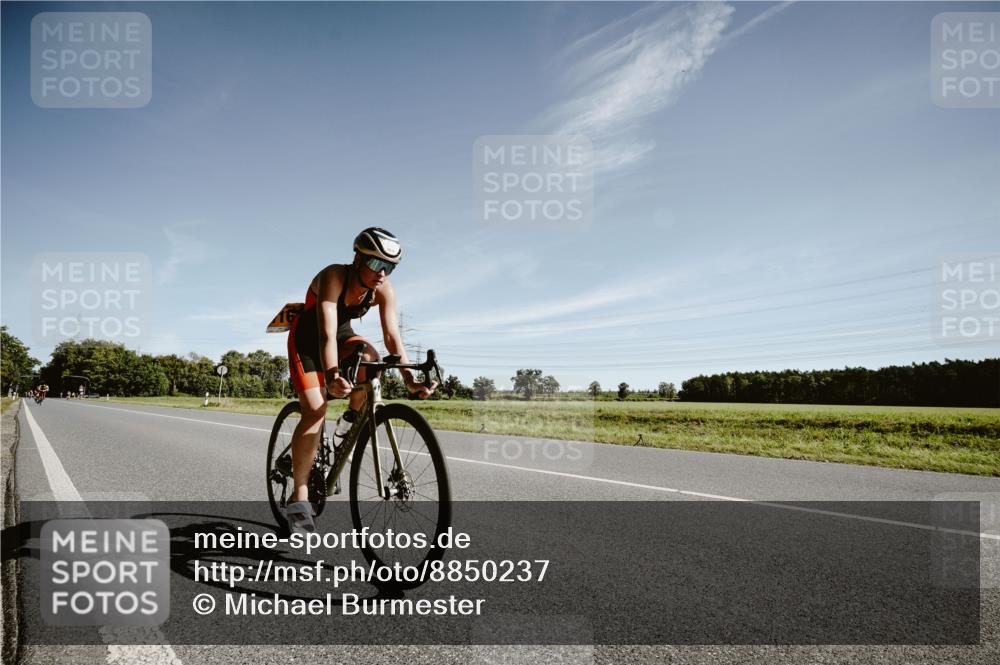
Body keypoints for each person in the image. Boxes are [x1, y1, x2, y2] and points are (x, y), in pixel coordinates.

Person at [285, 227, 436, 533]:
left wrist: (409, 379)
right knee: (315, 410)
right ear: (358, 258)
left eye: (390, 267)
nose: (383, 273)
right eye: (377, 264)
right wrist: (332, 376)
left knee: (371, 357)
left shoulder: (384, 289)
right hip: (309, 340)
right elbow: (326, 332)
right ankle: (299, 494)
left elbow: (392, 337)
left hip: (340, 338)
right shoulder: (334, 276)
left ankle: (350, 420)